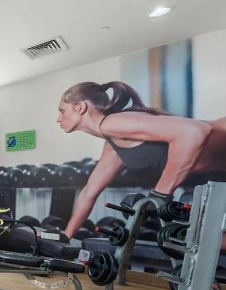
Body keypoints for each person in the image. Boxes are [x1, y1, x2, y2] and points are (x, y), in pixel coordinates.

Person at [56, 81, 226, 246]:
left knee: (208, 241)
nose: (58, 119)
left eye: (62, 111)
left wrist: (161, 193)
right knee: (210, 241)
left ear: (80, 107)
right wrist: (66, 236)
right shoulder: (113, 143)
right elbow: (89, 193)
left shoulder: (112, 123)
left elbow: (194, 132)